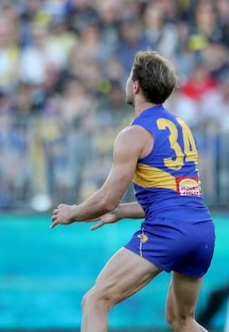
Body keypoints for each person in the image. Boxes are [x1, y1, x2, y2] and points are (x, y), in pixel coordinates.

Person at [50, 50, 215, 332]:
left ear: (136, 85)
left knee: (96, 300)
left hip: (169, 230)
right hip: (202, 230)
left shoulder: (134, 134)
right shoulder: (181, 127)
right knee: (182, 320)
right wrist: (121, 212)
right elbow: (175, 196)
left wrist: (72, 213)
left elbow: (106, 198)